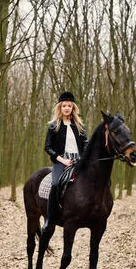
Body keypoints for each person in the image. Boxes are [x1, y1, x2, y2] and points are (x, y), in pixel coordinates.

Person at [43, 91, 89, 232]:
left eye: (69, 105)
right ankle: (49, 218)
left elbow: (86, 142)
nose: (67, 108)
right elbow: (47, 147)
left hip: (78, 161)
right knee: (55, 183)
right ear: (60, 107)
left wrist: (82, 157)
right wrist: (62, 160)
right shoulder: (53, 126)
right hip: (61, 161)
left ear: (73, 107)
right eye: (64, 106)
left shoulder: (79, 126)